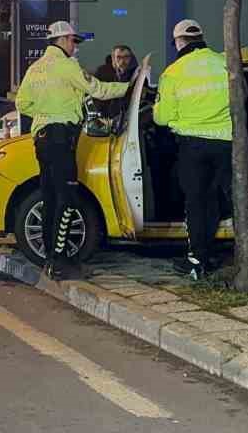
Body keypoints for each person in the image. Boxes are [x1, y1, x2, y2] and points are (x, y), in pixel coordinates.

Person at [14, 21, 130, 280]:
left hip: (42, 138)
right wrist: (129, 88)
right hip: (61, 137)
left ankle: (50, 259)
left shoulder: (35, 68)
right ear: (64, 39)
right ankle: (60, 261)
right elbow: (97, 89)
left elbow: (22, 103)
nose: (75, 47)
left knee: (50, 197)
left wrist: (45, 114)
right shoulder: (67, 66)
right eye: (73, 41)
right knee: (67, 199)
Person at [154, 19, 233, 280]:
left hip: (193, 146)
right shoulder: (224, 62)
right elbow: (242, 97)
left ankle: (198, 260)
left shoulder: (173, 72)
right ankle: (244, 255)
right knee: (225, 200)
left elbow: (162, 118)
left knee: (197, 202)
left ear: (178, 42)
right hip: (226, 143)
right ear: (201, 37)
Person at [93, 45, 137, 119]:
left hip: (130, 117)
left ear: (131, 58)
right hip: (106, 118)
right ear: (113, 58)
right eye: (119, 57)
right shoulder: (102, 72)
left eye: (126, 57)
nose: (122, 61)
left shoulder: (136, 73)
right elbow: (95, 94)